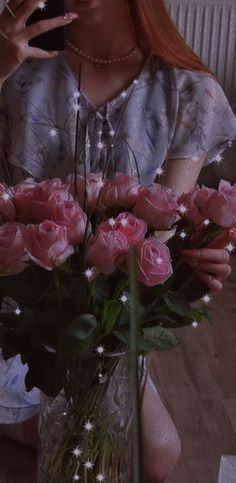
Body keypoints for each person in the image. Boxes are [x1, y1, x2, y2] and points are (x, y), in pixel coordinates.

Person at [0, 0, 236, 481]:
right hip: (18, 311)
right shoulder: (20, 76)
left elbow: (162, 239)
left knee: (157, 456)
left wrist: (197, 266)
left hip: (102, 323)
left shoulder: (190, 93)